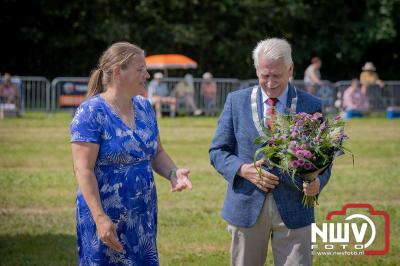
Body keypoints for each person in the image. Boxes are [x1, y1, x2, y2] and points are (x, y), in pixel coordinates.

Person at [209, 38, 332, 266]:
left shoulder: (311, 104)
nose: (271, 82)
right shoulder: (236, 102)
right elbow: (217, 151)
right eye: (265, 75)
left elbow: (325, 157)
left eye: (277, 75)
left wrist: (318, 182)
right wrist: (242, 169)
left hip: (296, 208)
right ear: (257, 70)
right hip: (246, 209)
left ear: (291, 70)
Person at [70, 42, 192, 265]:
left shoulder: (144, 107)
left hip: (142, 214)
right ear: (118, 72)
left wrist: (174, 173)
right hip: (105, 216)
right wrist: (100, 218)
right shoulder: (91, 112)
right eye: (140, 69)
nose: (146, 75)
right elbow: (83, 169)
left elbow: (157, 153)